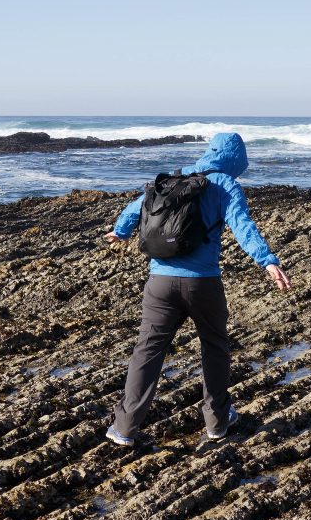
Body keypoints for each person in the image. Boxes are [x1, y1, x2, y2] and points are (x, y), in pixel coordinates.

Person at [104, 132, 291, 447]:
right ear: (235, 160)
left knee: (147, 352)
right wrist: (267, 261)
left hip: (159, 283)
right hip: (202, 284)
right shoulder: (225, 185)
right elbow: (244, 226)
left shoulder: (178, 178)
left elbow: (138, 206)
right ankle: (217, 423)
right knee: (215, 348)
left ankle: (124, 428)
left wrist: (120, 231)